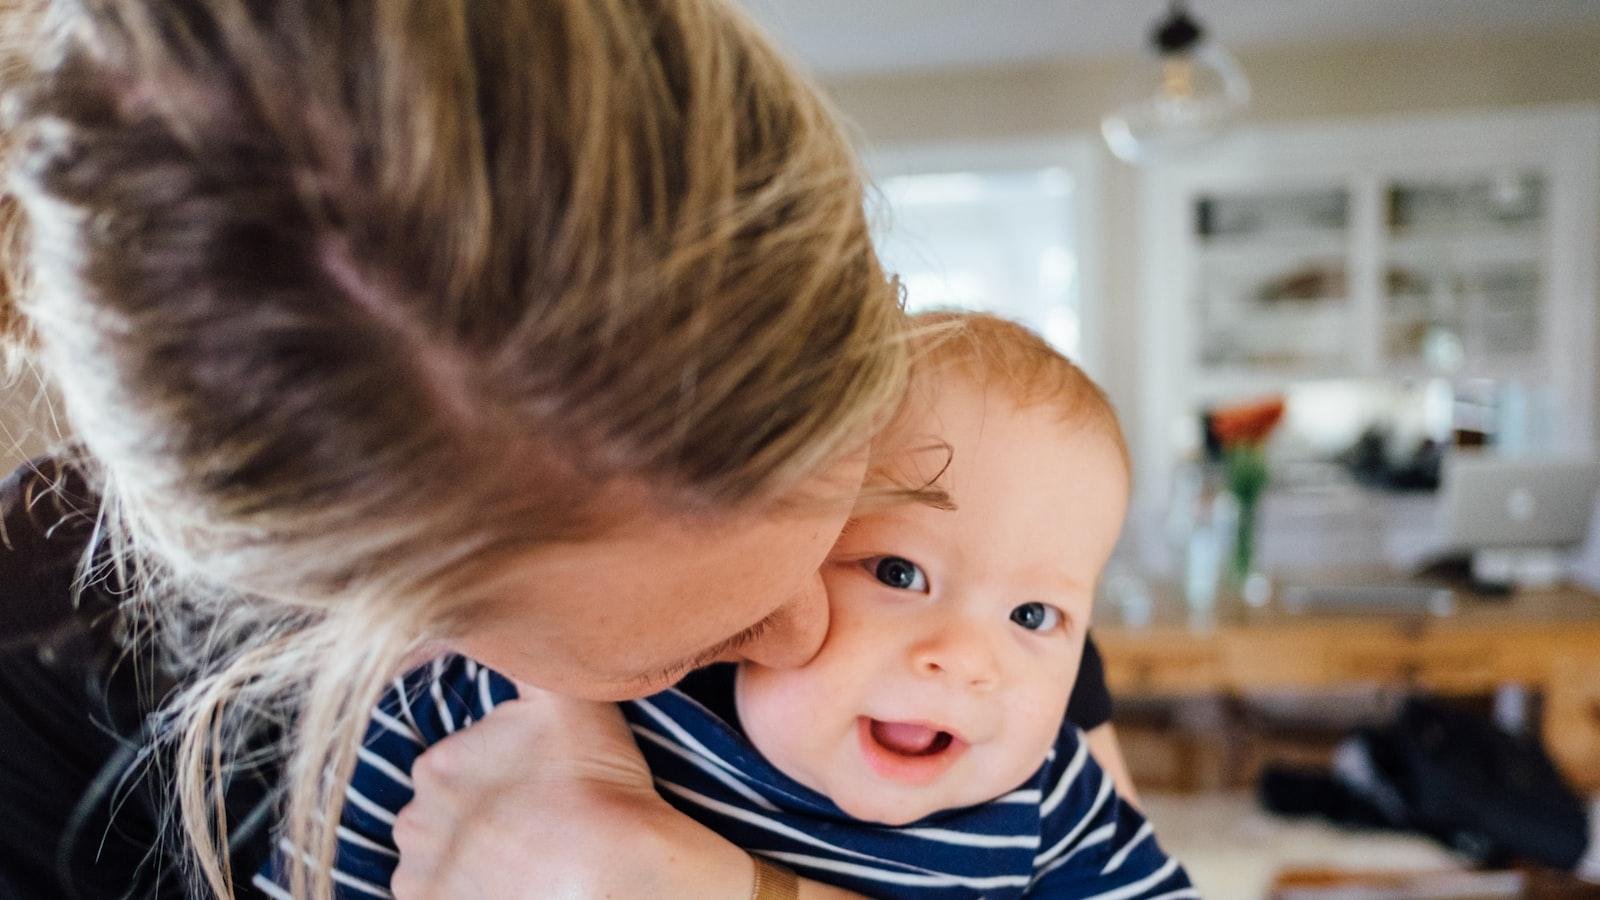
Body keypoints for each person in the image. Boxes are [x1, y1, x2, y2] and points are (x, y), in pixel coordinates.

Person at [0, 2, 1134, 898]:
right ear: (374, 621)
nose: (808, 627)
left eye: (852, 524)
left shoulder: (961, 506)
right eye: (691, 642)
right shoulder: (38, 712)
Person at [279, 313, 1186, 898]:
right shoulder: (536, 691)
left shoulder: (1049, 795)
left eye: (1034, 617)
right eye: (897, 573)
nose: (966, 656)